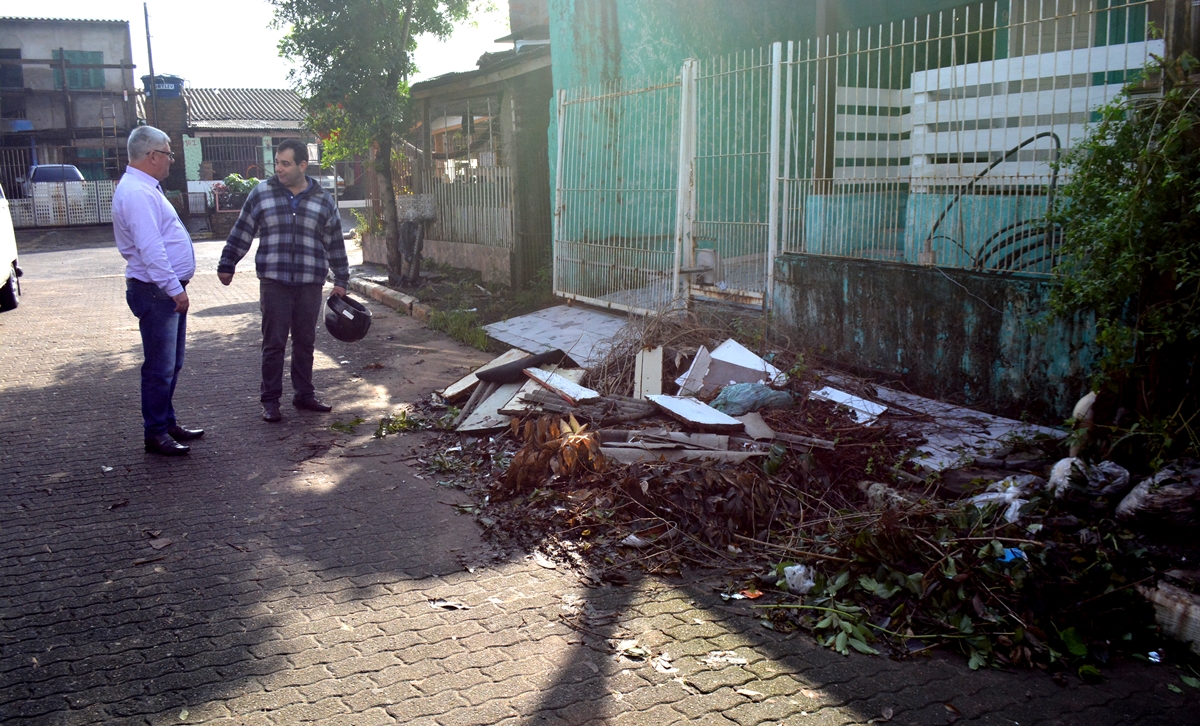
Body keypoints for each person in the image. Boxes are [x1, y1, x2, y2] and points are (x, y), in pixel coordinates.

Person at [217, 139, 350, 423]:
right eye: (277, 162)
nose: (279, 168)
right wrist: (228, 262)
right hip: (274, 282)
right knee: (274, 342)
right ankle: (270, 401)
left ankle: (304, 395)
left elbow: (335, 243)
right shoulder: (261, 194)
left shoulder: (324, 200)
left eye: (285, 163)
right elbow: (242, 230)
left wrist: (341, 279)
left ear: (303, 165)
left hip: (309, 282)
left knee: (305, 341)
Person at [113, 125, 203, 456]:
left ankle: (166, 422)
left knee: (171, 364)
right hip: (156, 291)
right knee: (159, 367)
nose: (171, 161)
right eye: (168, 154)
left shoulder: (145, 187)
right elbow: (151, 250)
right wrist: (173, 289)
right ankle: (155, 432)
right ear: (153, 156)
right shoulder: (137, 192)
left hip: (162, 290)